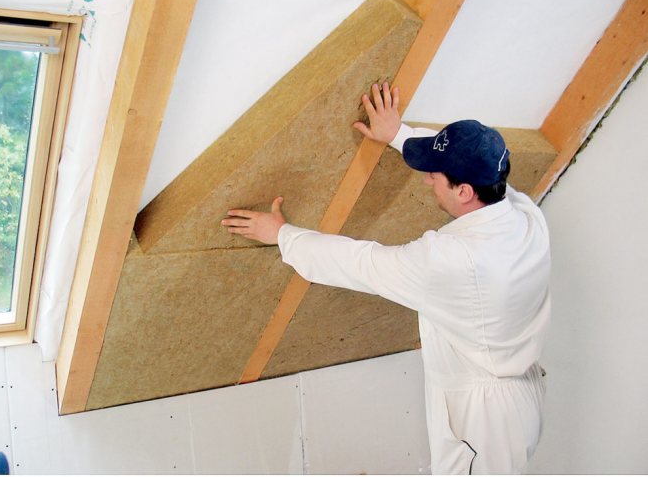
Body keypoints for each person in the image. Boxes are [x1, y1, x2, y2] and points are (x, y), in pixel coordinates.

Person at [221, 82, 551, 474]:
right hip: (517, 395)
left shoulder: (454, 261)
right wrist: (398, 135)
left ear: (464, 191)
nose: (427, 179)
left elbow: (361, 263)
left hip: (487, 417)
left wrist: (282, 235)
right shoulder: (521, 213)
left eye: (435, 175)